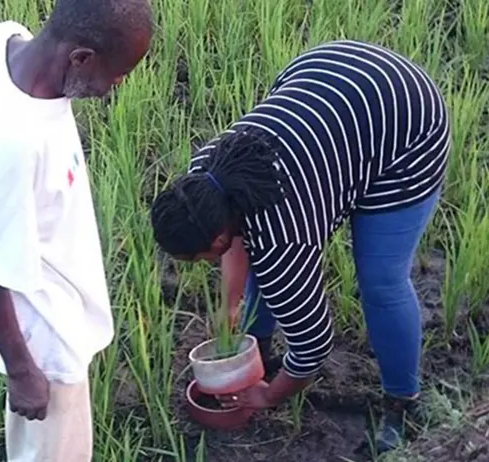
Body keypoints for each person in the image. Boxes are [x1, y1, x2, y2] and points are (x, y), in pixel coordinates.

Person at [150, 40, 451, 454]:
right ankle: (260, 350)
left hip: (407, 124)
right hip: (329, 85)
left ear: (216, 237)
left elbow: (313, 345)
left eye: (198, 257)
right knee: (267, 265)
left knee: (381, 282)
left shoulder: (281, 235)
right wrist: (230, 303)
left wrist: (269, 395)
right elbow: (237, 240)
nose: (198, 264)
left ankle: (402, 401)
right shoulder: (203, 180)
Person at [0, 0, 153, 460]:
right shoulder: (16, 146)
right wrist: (24, 371)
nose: (119, 84)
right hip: (45, 334)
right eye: (119, 73)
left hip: (55, 311)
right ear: (79, 58)